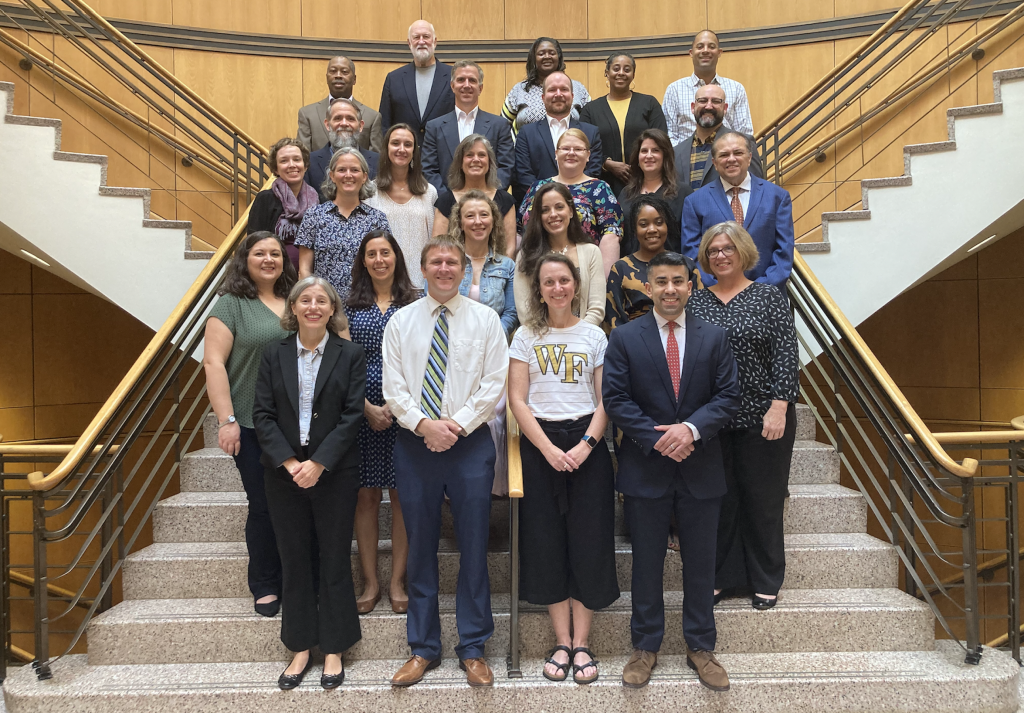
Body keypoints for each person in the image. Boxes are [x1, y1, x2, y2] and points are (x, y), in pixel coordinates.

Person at [602, 251, 741, 692]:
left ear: (690, 284)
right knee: (646, 564)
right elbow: (616, 399)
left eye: (678, 281)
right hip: (647, 468)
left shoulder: (714, 337)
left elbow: (728, 396)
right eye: (660, 281)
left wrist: (691, 430)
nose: (669, 289)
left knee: (701, 565)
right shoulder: (625, 337)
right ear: (649, 286)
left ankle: (700, 646)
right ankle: (645, 647)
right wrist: (660, 438)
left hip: (701, 468)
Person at [383, 235, 508, 688]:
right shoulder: (400, 322)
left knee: (474, 545)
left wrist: (452, 425)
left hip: (470, 443)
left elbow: (494, 383)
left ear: (463, 269)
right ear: (422, 269)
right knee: (421, 546)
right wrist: (424, 426)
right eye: (435, 261)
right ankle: (423, 647)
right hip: (416, 445)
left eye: (451, 261)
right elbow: (393, 388)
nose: (443, 268)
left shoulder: (487, 320)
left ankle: (473, 648)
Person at [508, 253, 618, 685]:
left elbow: (606, 398)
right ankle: (561, 640)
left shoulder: (594, 335)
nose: (557, 288)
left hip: (587, 446)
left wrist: (588, 445)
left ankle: (583, 643)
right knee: (546, 541)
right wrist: (549, 449)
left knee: (589, 541)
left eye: (564, 281)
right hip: (541, 446)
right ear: (539, 289)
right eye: (548, 282)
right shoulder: (525, 336)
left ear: (576, 286)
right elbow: (518, 399)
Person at [252, 276, 366, 691]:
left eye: (322, 300)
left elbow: (353, 415)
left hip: (334, 473)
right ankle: (300, 646)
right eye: (305, 300)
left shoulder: (350, 353)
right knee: (295, 557)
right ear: (294, 309)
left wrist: (318, 462)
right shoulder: (272, 353)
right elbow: (261, 414)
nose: (313, 306)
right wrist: (289, 461)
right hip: (283, 475)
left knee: (334, 556)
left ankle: (334, 646)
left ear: (332, 310)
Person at [687, 222, 799, 610]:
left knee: (763, 499)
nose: (720, 255)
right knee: (722, 501)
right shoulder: (696, 303)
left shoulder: (769, 297)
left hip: (763, 417)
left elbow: (786, 353)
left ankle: (765, 578)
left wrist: (780, 405)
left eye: (727, 248)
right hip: (714, 421)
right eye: (713, 250)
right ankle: (723, 577)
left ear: (743, 252)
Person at [203, 231, 296, 619]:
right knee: (262, 505)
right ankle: (265, 583)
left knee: (296, 506)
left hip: (296, 424)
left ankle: (297, 579)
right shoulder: (230, 306)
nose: (269, 259)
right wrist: (226, 421)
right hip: (250, 423)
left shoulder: (293, 301)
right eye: (260, 253)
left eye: (275, 253)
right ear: (246, 259)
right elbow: (213, 364)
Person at [346, 230, 420, 616]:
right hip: (360, 411)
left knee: (403, 497)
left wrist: (399, 406)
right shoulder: (348, 306)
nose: (379, 260)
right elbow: (339, 362)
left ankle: (398, 581)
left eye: (385, 252)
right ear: (363, 261)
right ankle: (371, 581)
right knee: (366, 497)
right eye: (371, 254)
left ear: (397, 258)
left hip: (406, 411)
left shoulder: (416, 303)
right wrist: (364, 406)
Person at [449, 191, 517, 496]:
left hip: (495, 356)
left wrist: (490, 340)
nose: (478, 222)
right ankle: (454, 484)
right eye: (470, 216)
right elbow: (433, 306)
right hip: (453, 355)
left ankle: (488, 486)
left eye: (484, 215)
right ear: (460, 222)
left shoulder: (506, 265)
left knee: (492, 417)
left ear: (494, 221)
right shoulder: (446, 260)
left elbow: (513, 312)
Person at [682, 132, 795, 289]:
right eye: (724, 155)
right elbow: (693, 255)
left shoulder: (777, 196)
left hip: (766, 298)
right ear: (714, 162)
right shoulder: (695, 202)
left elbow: (783, 252)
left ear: (749, 158)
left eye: (738, 153)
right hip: (715, 299)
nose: (731, 159)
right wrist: (720, 289)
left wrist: (756, 291)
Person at [520, 129, 622, 277]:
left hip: (584, 272)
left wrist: (603, 284)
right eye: (566, 148)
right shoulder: (537, 187)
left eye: (578, 149)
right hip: (535, 269)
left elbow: (611, 235)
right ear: (556, 154)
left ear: (588, 155)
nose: (571, 153)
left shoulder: (600, 189)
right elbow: (518, 231)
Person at [295, 147, 390, 302]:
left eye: (354, 170)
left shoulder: (377, 219)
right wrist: (310, 300)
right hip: (325, 305)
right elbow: (305, 269)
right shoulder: (314, 216)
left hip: (366, 304)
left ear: (365, 176)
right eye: (341, 170)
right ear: (332, 175)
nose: (348, 175)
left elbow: (385, 266)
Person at [514, 181, 604, 326]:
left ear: (571, 211)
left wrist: (576, 336)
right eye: (545, 210)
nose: (553, 214)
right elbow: (526, 313)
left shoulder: (591, 252)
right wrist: (551, 339)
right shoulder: (526, 255)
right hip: (540, 341)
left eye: (559, 207)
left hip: (583, 340)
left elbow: (596, 309)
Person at [579, 53, 668, 197]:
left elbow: (661, 139)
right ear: (607, 73)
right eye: (616, 68)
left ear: (633, 74)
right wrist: (606, 163)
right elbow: (582, 144)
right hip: (604, 184)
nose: (621, 73)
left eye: (627, 69)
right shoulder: (590, 109)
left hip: (645, 180)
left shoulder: (649, 103)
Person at [512, 72, 603, 208]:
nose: (558, 94)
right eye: (552, 90)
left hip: (582, 208)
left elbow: (593, 171)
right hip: (539, 209)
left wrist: (570, 201)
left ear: (572, 97)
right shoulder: (526, 133)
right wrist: (550, 201)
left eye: (564, 89)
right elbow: (524, 175)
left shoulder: (591, 132)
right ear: (543, 97)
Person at [422, 60, 514, 193]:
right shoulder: (434, 127)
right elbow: (429, 170)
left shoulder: (499, 125)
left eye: (472, 80)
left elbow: (506, 168)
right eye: (461, 80)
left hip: (488, 206)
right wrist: (450, 199)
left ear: (480, 88)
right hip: (446, 206)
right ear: (452, 86)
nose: (466, 85)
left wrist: (486, 197)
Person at [365, 123, 437, 290]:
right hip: (383, 286)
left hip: (422, 284)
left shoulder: (429, 192)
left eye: (408, 144)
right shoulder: (369, 192)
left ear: (414, 151)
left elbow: (434, 241)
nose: (402, 149)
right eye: (395, 143)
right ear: (386, 147)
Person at [663, 30, 753, 144]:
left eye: (711, 46)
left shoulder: (736, 89)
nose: (705, 51)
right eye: (700, 47)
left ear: (719, 52)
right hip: (685, 158)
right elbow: (670, 135)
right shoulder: (674, 90)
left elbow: (744, 133)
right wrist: (681, 158)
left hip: (726, 157)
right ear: (691, 53)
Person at [432, 134, 517, 250]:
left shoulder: (506, 201)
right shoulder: (445, 201)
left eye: (481, 155)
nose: (476, 159)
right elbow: (438, 247)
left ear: (490, 162)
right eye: (469, 155)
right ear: (460, 163)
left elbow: (510, 247)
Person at [616, 129, 692, 257]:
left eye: (656, 150)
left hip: (671, 270)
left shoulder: (683, 193)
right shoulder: (626, 193)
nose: (649, 155)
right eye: (644, 151)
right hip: (632, 271)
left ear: (665, 156)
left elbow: (689, 240)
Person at [673, 84, 763, 192]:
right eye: (703, 101)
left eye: (716, 101)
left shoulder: (743, 143)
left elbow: (758, 190)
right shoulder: (676, 152)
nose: (709, 106)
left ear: (725, 108)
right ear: (693, 107)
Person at [379, 20, 455, 142]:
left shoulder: (453, 76)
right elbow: (384, 125)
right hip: (404, 155)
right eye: (416, 37)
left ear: (435, 41)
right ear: (409, 43)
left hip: (443, 155)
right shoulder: (393, 79)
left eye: (426, 36)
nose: (421, 41)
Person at [247, 138, 319, 267]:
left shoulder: (318, 200)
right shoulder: (265, 199)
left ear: (305, 165)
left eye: (297, 159)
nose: (292, 165)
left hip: (310, 276)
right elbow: (254, 243)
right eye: (284, 161)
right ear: (275, 169)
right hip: (274, 274)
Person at [606, 196, 675, 330]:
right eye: (643, 224)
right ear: (634, 229)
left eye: (659, 222)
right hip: (634, 341)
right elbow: (614, 321)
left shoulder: (685, 265)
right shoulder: (621, 269)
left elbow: (697, 313)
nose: (652, 229)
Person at [502, 37, 591, 139]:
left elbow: (590, 124)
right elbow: (503, 127)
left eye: (552, 53)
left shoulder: (577, 88)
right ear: (534, 59)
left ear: (559, 57)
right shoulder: (519, 90)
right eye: (541, 54)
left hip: (570, 152)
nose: (547, 56)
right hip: (526, 152)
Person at [297, 56, 383, 154]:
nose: (338, 75)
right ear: (326, 78)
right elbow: (303, 157)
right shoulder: (308, 114)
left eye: (344, 72)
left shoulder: (372, 116)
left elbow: (375, 160)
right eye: (333, 71)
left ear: (354, 79)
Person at [305, 98, 380, 202]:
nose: (344, 123)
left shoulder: (379, 162)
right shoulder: (309, 162)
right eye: (338, 118)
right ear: (327, 124)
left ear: (361, 125)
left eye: (350, 119)